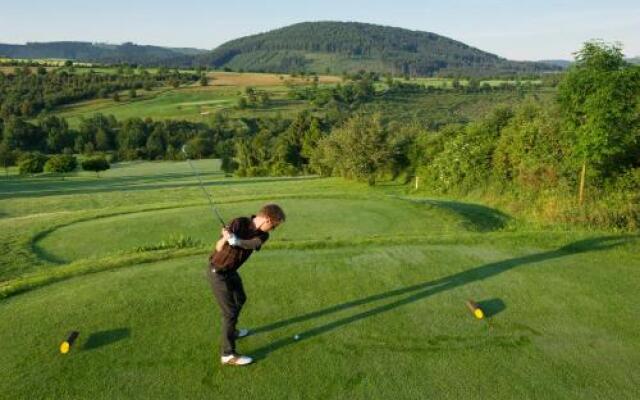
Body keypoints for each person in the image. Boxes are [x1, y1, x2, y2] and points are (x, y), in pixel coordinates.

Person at [207, 203, 286, 366]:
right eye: (273, 226)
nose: (272, 230)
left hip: (231, 272)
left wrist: (237, 241)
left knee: (240, 299)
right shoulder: (239, 223)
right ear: (268, 219)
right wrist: (225, 237)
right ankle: (227, 354)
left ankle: (232, 331)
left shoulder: (263, 235)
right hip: (218, 273)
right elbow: (218, 247)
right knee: (229, 313)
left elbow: (252, 244)